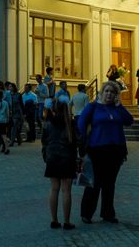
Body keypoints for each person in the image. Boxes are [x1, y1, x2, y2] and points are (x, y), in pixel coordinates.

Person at [77, 81, 133, 224]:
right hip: (97, 149)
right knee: (94, 182)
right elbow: (81, 124)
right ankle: (87, 213)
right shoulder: (93, 107)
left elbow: (129, 121)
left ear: (116, 95)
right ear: (102, 92)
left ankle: (108, 213)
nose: (109, 94)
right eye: (107, 91)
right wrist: (86, 140)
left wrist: (119, 106)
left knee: (110, 183)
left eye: (112, 92)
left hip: (116, 150)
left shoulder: (117, 108)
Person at [42, 99, 77, 230]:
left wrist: (46, 156)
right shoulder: (71, 123)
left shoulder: (47, 123)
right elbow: (76, 142)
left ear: (53, 109)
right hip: (68, 159)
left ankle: (54, 220)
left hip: (52, 158)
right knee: (66, 191)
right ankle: (67, 222)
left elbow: (44, 141)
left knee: (54, 189)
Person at [7, 82, 24, 146]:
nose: (9, 88)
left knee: (13, 127)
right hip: (10, 113)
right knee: (15, 128)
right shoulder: (8, 95)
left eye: (11, 86)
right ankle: (19, 140)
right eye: (9, 86)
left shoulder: (18, 95)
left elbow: (21, 105)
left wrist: (23, 114)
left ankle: (12, 142)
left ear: (14, 87)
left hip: (17, 113)